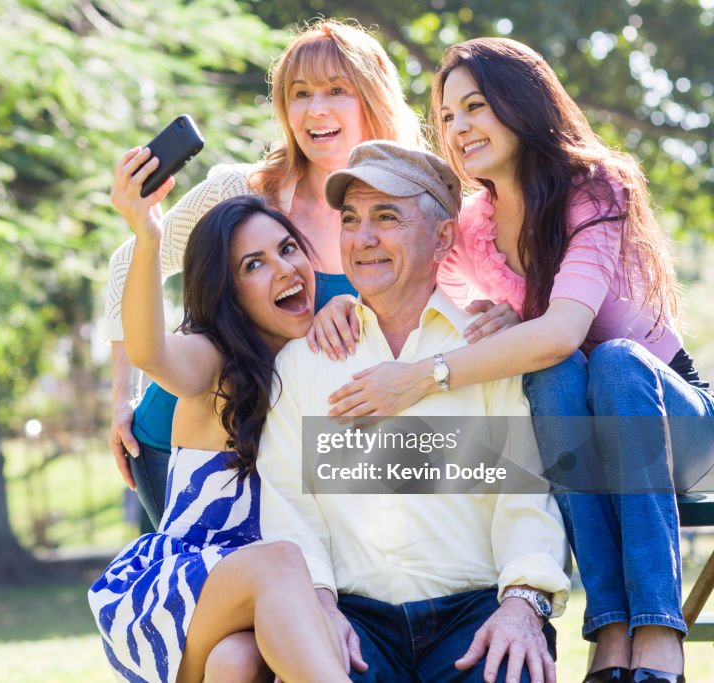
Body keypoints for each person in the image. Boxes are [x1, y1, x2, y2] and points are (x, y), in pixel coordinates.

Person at [312, 38, 713, 683]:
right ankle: (610, 634)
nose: (459, 127)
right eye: (446, 116)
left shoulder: (595, 186)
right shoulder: (472, 224)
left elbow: (560, 331)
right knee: (552, 378)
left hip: (673, 422)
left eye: (476, 106)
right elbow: (399, 276)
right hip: (577, 424)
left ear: (520, 104)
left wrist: (422, 378)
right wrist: (338, 304)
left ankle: (660, 631)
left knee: (610, 361)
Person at [258, 140, 571, 683]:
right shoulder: (303, 363)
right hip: (351, 618)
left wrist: (522, 605)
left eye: (386, 217)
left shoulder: (489, 350)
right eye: (351, 220)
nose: (363, 239)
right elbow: (289, 504)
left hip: (477, 613)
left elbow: (526, 495)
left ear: (443, 236)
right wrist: (317, 606)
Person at [103, 18, 425, 526]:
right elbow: (128, 264)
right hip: (181, 447)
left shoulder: (414, 209)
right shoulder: (241, 191)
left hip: (287, 458)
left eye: (336, 90)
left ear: (373, 97)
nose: (315, 110)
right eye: (300, 94)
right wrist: (124, 395)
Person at [88, 150, 350, 683]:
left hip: (264, 604)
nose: (282, 270)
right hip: (189, 591)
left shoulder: (323, 351)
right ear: (229, 293)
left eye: (287, 249)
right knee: (278, 562)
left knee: (237, 663)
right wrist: (147, 235)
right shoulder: (215, 361)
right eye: (253, 266)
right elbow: (150, 352)